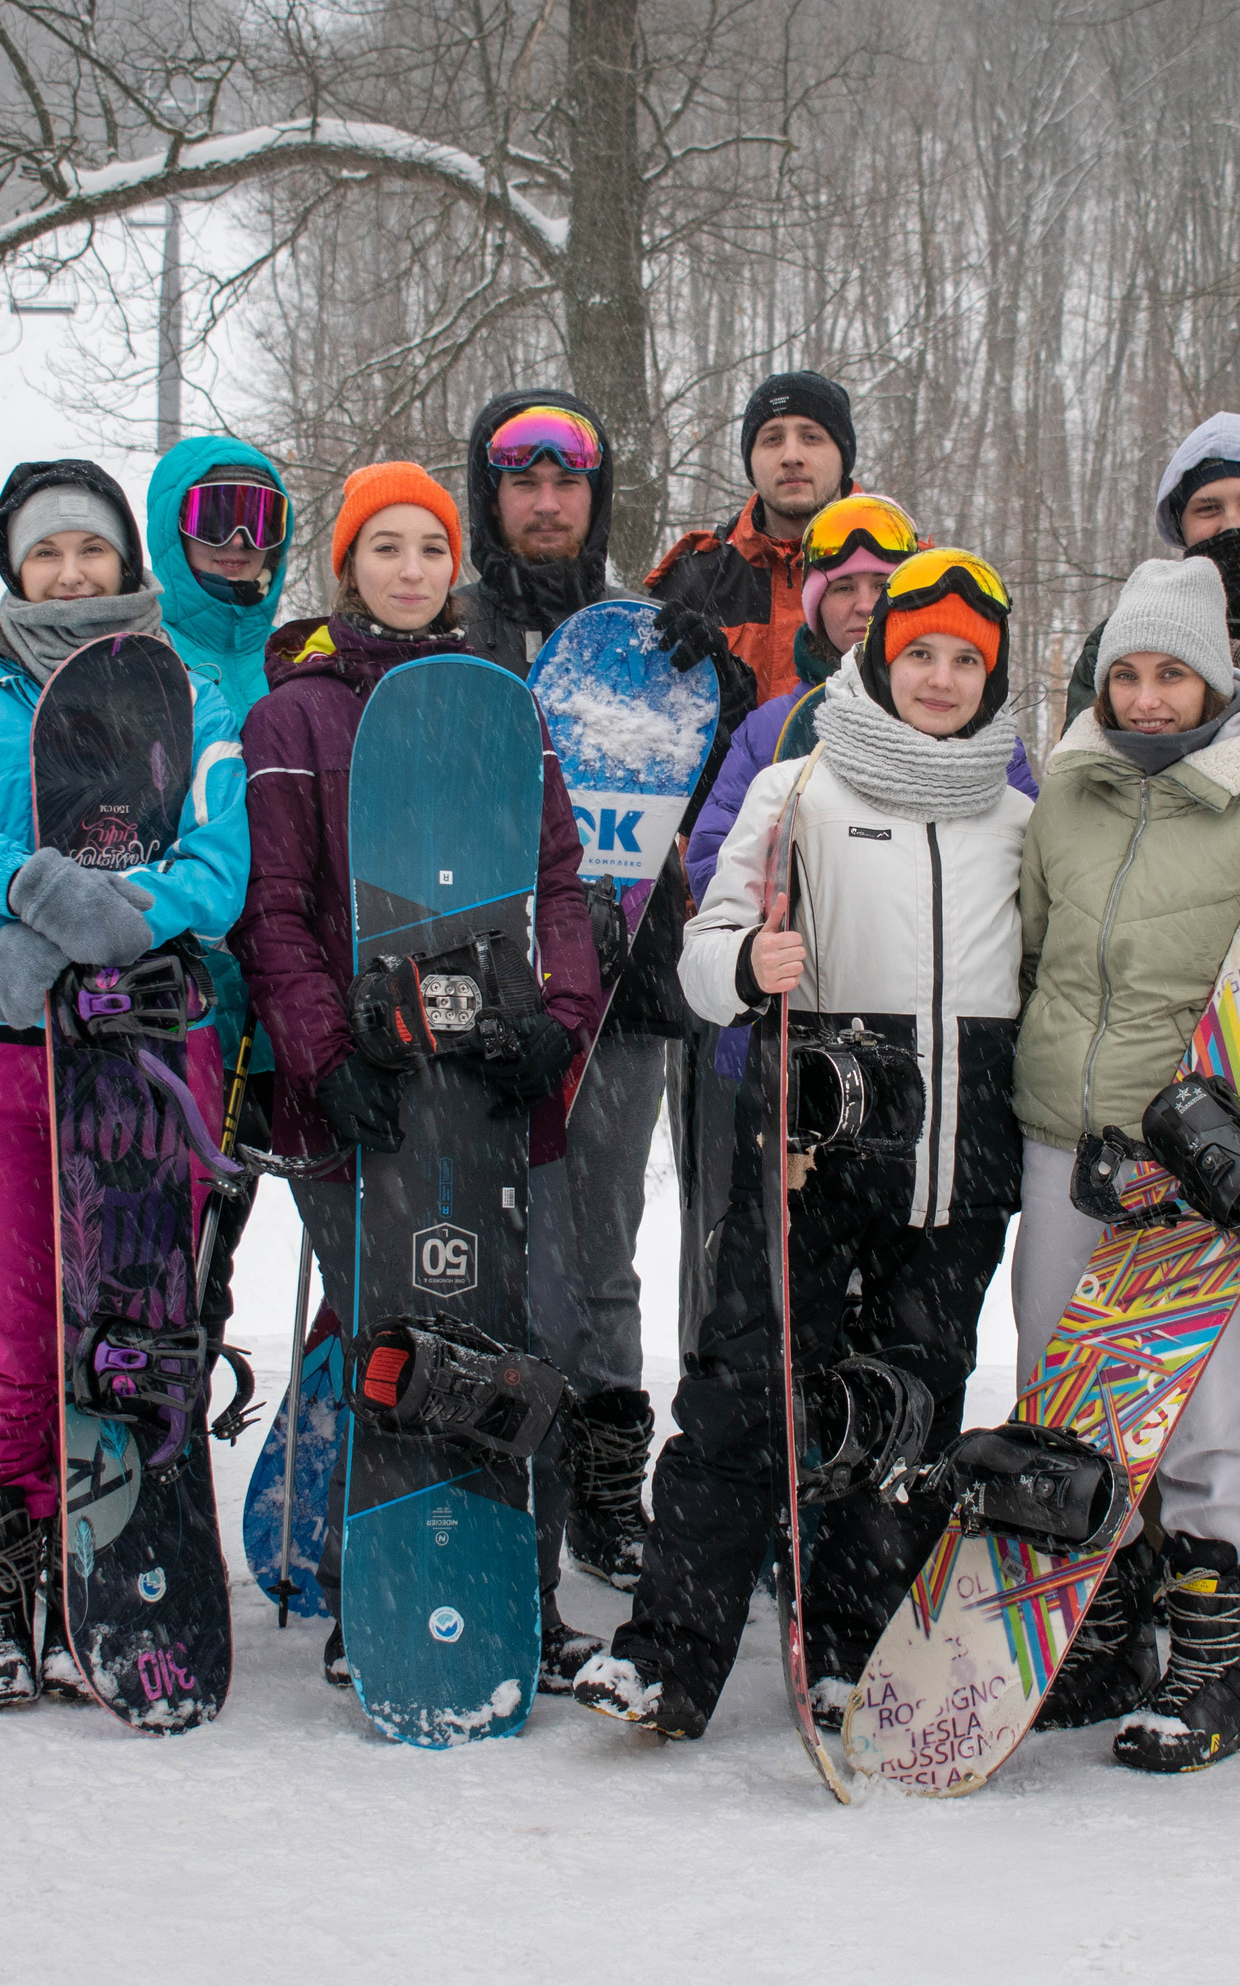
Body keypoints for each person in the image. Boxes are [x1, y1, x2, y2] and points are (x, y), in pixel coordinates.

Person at [575, 549, 1034, 1740]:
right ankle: (668, 1655)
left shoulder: (1020, 819)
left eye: (964, 661)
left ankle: (857, 1652)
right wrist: (741, 962)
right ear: (877, 657)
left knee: (905, 1417)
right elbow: (701, 954)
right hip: (815, 1149)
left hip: (958, 1167)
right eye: (919, 652)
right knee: (746, 1394)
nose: (939, 678)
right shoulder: (800, 788)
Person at [229, 461, 609, 1693]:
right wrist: (323, 1058)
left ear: (456, 566)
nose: (407, 569)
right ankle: (378, 1587)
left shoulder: (500, 701)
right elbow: (274, 911)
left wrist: (561, 1014)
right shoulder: (292, 717)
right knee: (389, 1332)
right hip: (364, 1089)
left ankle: (522, 1588)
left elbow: (558, 880)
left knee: (520, 1331)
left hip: (498, 1085)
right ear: (348, 565)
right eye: (383, 547)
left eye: (429, 548)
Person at [1007, 557, 1240, 1772]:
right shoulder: (1065, 794)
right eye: (1129, 671)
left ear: (1219, 680)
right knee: (1062, 1395)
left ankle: (1215, 1667)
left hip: (1195, 1166)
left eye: (1174, 672)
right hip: (1065, 1144)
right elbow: (1027, 955)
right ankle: (1100, 1631)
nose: (1150, 695)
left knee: (1205, 1415)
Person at [0, 458, 246, 1709]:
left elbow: (217, 867)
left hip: (134, 1041)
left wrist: (96, 921)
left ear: (125, 563)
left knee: (127, 1332)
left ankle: (115, 1568)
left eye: (92, 550)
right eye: (48, 555)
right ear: (14, 569)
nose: (73, 572)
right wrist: (28, 894)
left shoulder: (185, 691)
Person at [448, 390, 750, 1592]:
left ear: (595, 498)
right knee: (470, 1241)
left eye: (566, 483)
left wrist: (716, 689)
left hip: (619, 984)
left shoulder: (646, 634)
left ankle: (603, 1482)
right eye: (521, 483)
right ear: (491, 497)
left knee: (598, 1249)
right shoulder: (452, 627)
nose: (545, 504)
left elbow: (719, 788)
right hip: (479, 983)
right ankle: (483, 1459)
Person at [146, 438, 297, 1353]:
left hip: (284, 1009)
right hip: (185, 1004)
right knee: (167, 1238)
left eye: (263, 518)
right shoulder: (142, 659)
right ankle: (155, 1442)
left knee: (221, 1236)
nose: (241, 539)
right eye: (215, 517)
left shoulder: (293, 659)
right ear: (174, 531)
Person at [1065, 412, 1240, 744]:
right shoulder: (1122, 637)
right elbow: (1088, 759)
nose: (1232, 523)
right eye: (1208, 509)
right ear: (1180, 525)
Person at [647, 368, 856, 706]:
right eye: (772, 439)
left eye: (811, 437)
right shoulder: (692, 582)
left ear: (843, 456)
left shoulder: (906, 575)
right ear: (751, 460)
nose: (790, 456)